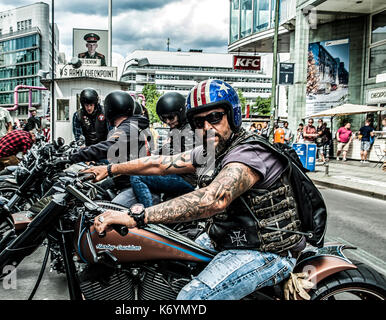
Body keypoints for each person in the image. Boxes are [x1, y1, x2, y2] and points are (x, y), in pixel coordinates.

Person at [84, 79, 307, 300]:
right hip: (228, 237)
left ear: (233, 115)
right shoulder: (215, 149)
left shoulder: (250, 153)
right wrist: (110, 168)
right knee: (164, 260)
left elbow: (213, 199)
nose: (207, 127)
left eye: (215, 117)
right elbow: (160, 163)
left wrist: (137, 216)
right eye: (199, 122)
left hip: (265, 251)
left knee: (192, 298)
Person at [129, 92, 197, 208]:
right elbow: (162, 151)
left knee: (136, 177)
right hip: (178, 176)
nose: (168, 121)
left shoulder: (189, 131)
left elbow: (181, 158)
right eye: (164, 118)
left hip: (187, 179)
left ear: (181, 113)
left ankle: (147, 216)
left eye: (171, 117)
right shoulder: (177, 129)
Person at [69, 90, 150, 166]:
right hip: (128, 165)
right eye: (87, 105)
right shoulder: (133, 125)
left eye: (91, 105)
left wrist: (75, 156)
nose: (89, 108)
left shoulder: (127, 128)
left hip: (130, 173)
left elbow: (110, 146)